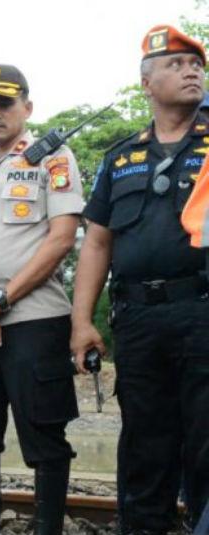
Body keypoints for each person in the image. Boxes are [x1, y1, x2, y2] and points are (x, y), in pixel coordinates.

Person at [73, 25, 209, 534]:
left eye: (196, 64)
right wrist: (82, 322)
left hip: (202, 312)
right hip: (138, 320)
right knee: (145, 444)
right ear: (147, 83)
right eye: (176, 64)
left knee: (205, 442)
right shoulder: (121, 157)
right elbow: (97, 243)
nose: (191, 71)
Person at [0, 64, 83, 535]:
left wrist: (1, 300)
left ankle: (47, 528)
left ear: (27, 106)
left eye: (4, 103)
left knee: (43, 433)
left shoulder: (53, 160)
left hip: (35, 320)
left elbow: (61, 238)